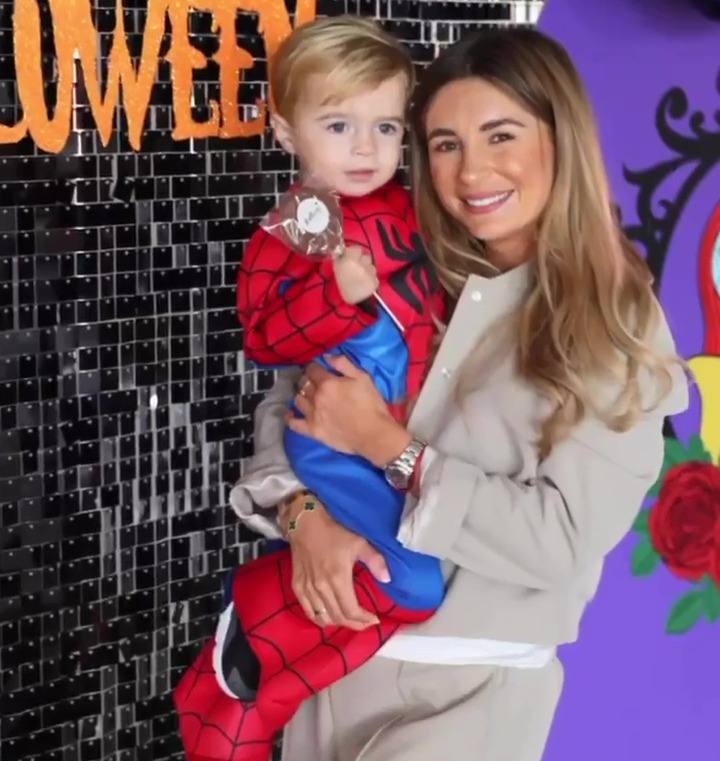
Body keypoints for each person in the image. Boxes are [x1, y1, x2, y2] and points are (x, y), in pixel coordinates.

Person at [229, 26, 689, 761]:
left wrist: (389, 446)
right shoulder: (396, 262)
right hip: (331, 666)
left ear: (559, 139)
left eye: (500, 135)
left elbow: (558, 541)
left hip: (472, 695)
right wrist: (302, 513)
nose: (473, 170)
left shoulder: (614, 321)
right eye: (445, 143)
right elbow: (295, 395)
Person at [173, 17, 446, 761]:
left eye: (385, 125)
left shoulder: (413, 208)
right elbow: (264, 333)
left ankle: (258, 667)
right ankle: (256, 634)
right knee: (414, 582)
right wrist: (338, 292)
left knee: (409, 581)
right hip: (330, 439)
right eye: (339, 124)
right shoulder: (302, 220)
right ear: (288, 132)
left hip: (384, 434)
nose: (366, 147)